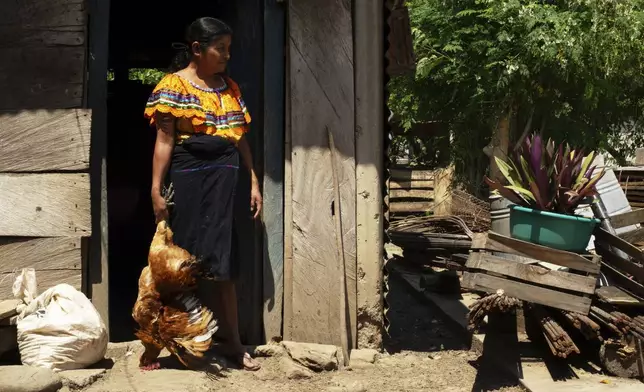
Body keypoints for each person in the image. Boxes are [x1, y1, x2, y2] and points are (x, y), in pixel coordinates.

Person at [143, 17, 262, 371]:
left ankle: (233, 344)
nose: (227, 55)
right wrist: (155, 188)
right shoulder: (172, 86)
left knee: (225, 262)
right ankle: (158, 345)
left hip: (227, 182)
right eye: (220, 49)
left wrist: (253, 181)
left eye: (229, 48)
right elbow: (164, 141)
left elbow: (240, 140)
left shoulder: (230, 89)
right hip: (189, 178)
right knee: (176, 264)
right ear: (197, 49)